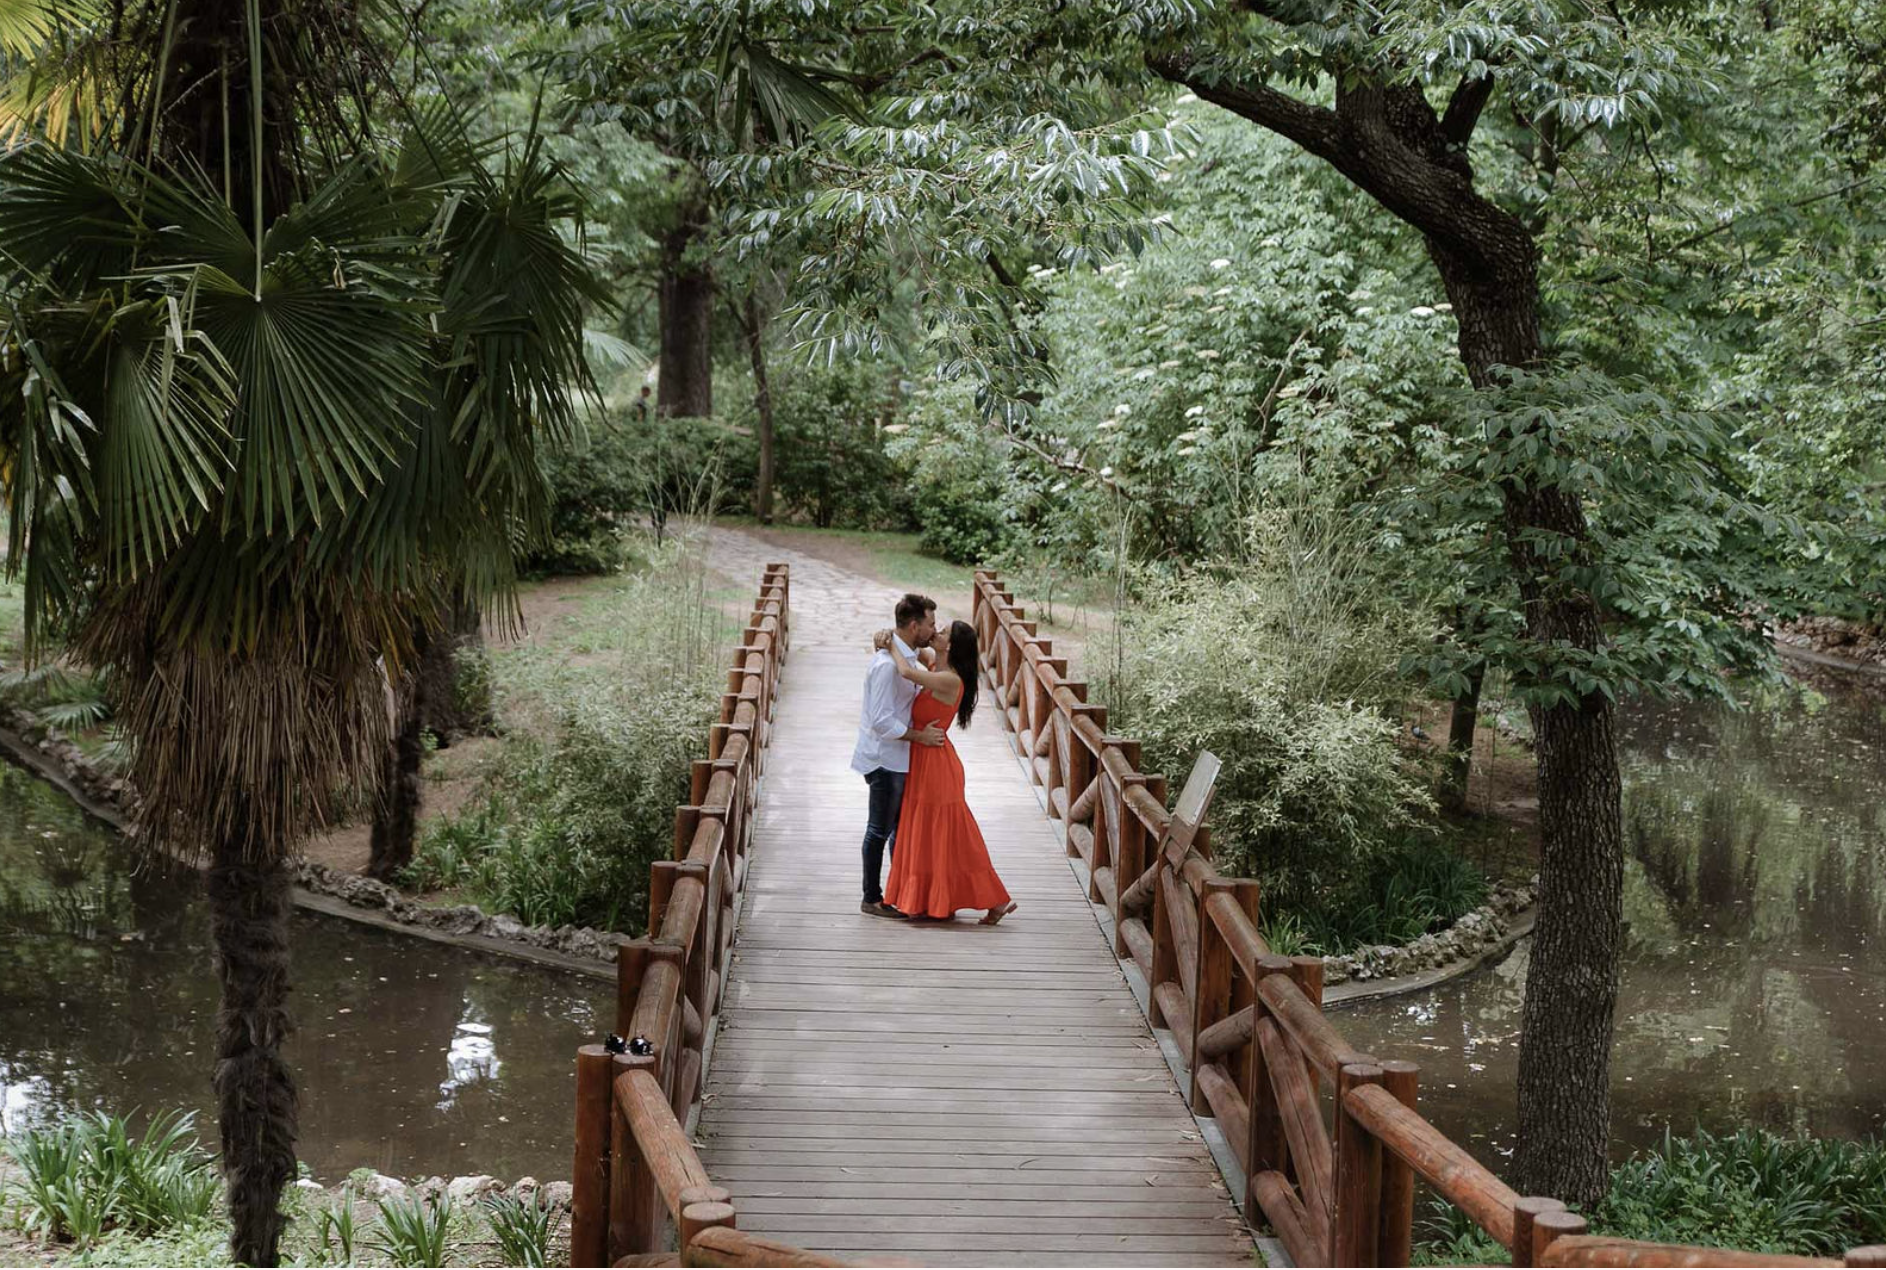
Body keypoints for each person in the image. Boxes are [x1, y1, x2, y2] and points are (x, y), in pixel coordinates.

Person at [874, 619, 1018, 924]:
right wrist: (889, 636)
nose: (935, 633)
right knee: (929, 832)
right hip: (924, 759)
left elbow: (906, 671)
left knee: (948, 834)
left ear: (950, 645)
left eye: (942, 633)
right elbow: (917, 652)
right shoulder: (938, 667)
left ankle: (995, 899)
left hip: (936, 765)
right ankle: (932, 900)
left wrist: (888, 646)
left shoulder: (950, 680)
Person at [850, 594, 945, 918]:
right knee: (879, 829)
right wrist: (919, 736)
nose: (934, 630)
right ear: (915, 625)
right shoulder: (887, 666)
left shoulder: (908, 657)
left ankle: (900, 893)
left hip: (899, 757)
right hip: (884, 758)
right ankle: (872, 898)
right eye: (930, 623)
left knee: (899, 830)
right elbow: (880, 720)